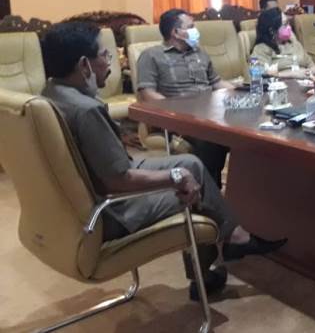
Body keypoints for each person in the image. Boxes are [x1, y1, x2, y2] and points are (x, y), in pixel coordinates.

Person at [40, 22, 287, 300]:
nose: (109, 62)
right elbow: (117, 180)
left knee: (191, 164)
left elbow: (112, 168)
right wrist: (175, 177)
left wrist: (181, 171)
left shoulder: (52, 94)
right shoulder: (86, 111)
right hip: (113, 209)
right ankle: (213, 266)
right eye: (105, 55)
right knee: (194, 189)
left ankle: (232, 238)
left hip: (92, 190)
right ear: (84, 65)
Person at [136, 9, 233, 188]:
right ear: (176, 32)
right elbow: (147, 94)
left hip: (212, 112)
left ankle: (235, 192)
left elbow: (216, 82)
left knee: (243, 138)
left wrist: (240, 91)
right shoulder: (151, 56)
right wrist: (176, 112)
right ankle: (208, 192)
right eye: (191, 27)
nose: (196, 31)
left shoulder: (199, 53)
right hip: (182, 120)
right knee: (211, 140)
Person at [251, 8, 315, 79]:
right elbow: (262, 73)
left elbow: (314, 68)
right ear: (271, 30)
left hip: (306, 82)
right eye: (285, 24)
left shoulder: (295, 43)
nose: (289, 27)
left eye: (288, 23)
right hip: (281, 84)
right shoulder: (262, 48)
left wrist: (306, 73)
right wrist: (292, 74)